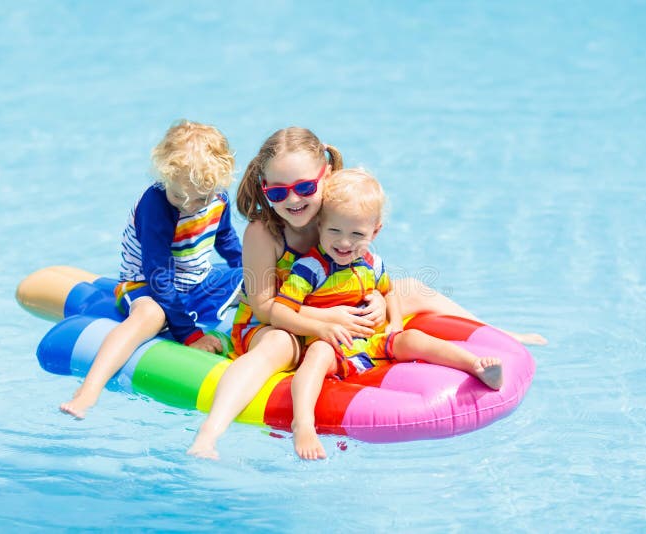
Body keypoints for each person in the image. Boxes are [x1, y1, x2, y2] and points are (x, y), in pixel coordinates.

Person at [187, 127, 545, 459]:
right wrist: (323, 321)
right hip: (277, 322)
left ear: (325, 178)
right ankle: (210, 433)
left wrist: (376, 300)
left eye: (305, 188)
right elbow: (265, 307)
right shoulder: (264, 233)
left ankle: (502, 333)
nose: (293, 200)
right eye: (278, 192)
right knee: (278, 344)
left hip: (339, 316)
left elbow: (370, 269)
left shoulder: (338, 216)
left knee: (412, 288)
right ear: (265, 188)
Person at [270, 168, 503, 460]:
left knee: (413, 337)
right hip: (334, 345)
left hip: (372, 343)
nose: (344, 243)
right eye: (334, 231)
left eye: (356, 234)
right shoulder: (310, 268)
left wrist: (393, 322)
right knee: (317, 354)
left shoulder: (372, 264)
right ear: (319, 225)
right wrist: (319, 330)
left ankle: (476, 366)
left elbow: (388, 292)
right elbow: (281, 310)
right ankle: (303, 423)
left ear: (375, 231)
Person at [60, 120, 243, 418]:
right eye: (180, 196)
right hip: (148, 286)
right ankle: (88, 390)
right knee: (151, 315)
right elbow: (159, 277)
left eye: (199, 199)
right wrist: (190, 335)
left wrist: (243, 271)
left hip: (196, 282)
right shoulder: (155, 206)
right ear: (164, 176)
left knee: (262, 279)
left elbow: (226, 239)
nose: (189, 206)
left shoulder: (216, 197)